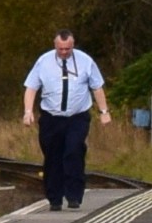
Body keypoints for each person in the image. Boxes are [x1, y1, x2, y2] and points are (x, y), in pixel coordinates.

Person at [22, 27, 108, 209]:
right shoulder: (43, 62)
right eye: (60, 49)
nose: (63, 52)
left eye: (67, 49)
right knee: (53, 156)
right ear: (55, 45)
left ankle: (74, 195)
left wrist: (104, 112)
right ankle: (55, 198)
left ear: (72, 45)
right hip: (51, 118)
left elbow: (97, 87)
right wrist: (28, 111)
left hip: (77, 117)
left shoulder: (85, 61)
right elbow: (31, 88)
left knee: (74, 151)